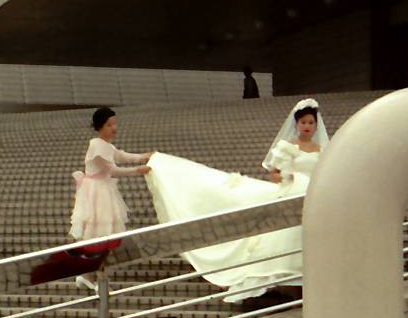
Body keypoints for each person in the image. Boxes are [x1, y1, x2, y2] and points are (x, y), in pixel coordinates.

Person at [145, 99, 328, 303]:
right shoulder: (288, 147)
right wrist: (290, 177)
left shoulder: (322, 150)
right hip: (292, 193)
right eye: (304, 122)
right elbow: (274, 174)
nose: (307, 127)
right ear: (297, 124)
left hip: (312, 197)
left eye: (311, 123)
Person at [69, 107, 153, 290]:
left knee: (106, 237)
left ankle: (90, 275)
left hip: (104, 190)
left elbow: (121, 155)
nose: (114, 128)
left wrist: (143, 157)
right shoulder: (96, 144)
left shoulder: (106, 145)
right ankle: (90, 275)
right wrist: (138, 170)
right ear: (100, 126)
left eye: (115, 124)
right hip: (96, 193)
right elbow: (112, 169)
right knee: (98, 236)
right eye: (109, 125)